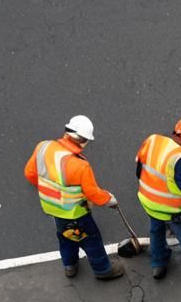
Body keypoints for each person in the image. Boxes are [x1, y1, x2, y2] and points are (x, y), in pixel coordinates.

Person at [23, 116, 125, 281]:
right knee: (91, 240)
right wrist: (109, 199)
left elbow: (30, 173)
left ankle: (70, 266)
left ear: (66, 131)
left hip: (55, 210)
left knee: (65, 238)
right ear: (84, 141)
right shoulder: (80, 166)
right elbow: (92, 193)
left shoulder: (43, 147)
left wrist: (52, 191)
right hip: (77, 214)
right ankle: (103, 270)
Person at [135, 117, 181, 279]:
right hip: (172, 208)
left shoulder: (153, 141)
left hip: (148, 201)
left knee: (156, 232)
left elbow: (139, 168)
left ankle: (158, 264)